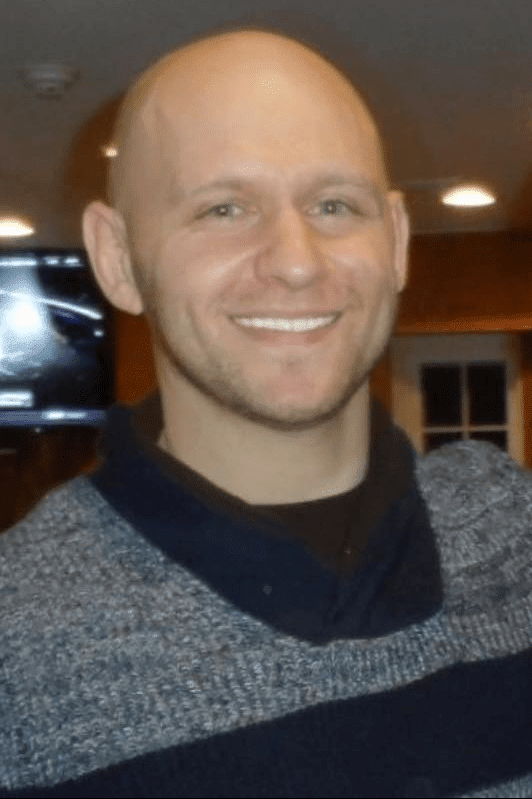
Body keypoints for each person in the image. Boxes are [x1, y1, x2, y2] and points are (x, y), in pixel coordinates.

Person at [1, 24, 531, 799]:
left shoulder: (511, 524)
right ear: (117, 258)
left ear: (396, 241)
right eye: (224, 208)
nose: (295, 261)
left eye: (333, 204)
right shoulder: (18, 650)